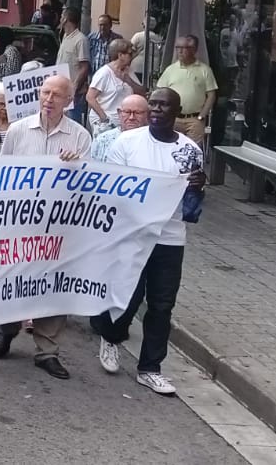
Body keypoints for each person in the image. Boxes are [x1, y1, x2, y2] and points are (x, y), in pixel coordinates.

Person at [94, 87, 205, 395]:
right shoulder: (126, 142)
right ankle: (111, 336)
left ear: (176, 111)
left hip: (169, 238)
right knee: (127, 295)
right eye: (152, 105)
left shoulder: (190, 150)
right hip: (132, 233)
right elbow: (111, 187)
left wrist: (199, 186)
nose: (156, 110)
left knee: (162, 304)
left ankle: (150, 367)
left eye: (163, 106)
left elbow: (194, 206)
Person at [0, 75, 90, 380]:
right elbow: (0, 174)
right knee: (13, 281)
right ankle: (7, 328)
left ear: (68, 100)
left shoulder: (80, 137)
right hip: (19, 224)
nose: (49, 99)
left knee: (53, 287)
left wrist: (77, 167)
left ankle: (47, 350)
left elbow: (89, 186)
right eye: (45, 92)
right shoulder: (19, 130)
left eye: (57, 95)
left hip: (59, 229)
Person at [156, 34, 217, 146]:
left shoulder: (205, 70)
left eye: (183, 48)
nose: (179, 51)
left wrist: (201, 116)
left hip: (194, 120)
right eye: (177, 47)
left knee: (192, 152)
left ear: (193, 50)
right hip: (173, 118)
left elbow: (211, 95)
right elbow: (160, 92)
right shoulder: (171, 69)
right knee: (170, 148)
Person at [86, 38, 144, 135]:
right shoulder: (104, 73)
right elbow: (90, 97)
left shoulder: (128, 71)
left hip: (123, 122)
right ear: (120, 55)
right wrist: (105, 119)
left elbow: (141, 93)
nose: (132, 57)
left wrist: (128, 80)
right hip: (106, 122)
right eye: (130, 54)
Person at [89, 94, 150, 161]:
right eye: (127, 112)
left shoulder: (153, 140)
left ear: (147, 114)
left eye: (137, 113)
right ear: (119, 113)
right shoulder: (102, 140)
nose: (131, 117)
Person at [58, 10, 91, 123]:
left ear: (66, 19)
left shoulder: (81, 39)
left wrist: (74, 88)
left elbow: (84, 67)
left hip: (74, 94)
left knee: (73, 123)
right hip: (62, 90)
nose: (60, 18)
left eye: (62, 16)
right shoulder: (65, 37)